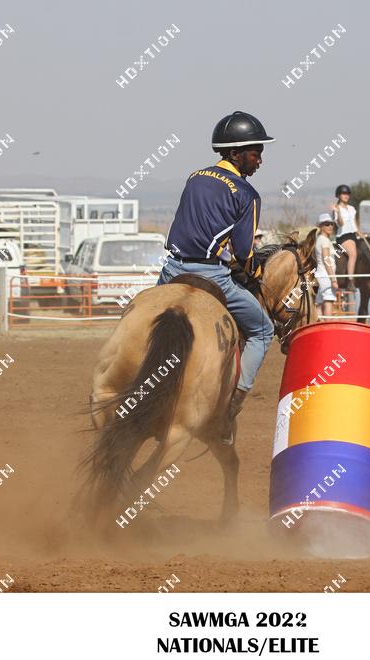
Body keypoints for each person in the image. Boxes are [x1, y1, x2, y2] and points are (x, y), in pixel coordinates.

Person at [157, 110, 275, 442]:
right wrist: (256, 272)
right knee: (263, 331)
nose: (260, 160)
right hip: (211, 275)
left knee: (145, 317)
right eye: (255, 152)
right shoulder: (248, 194)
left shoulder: (195, 177)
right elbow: (245, 252)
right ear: (236, 153)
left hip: (172, 269)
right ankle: (229, 409)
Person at [331, 185, 361, 288]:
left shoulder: (352, 208)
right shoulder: (336, 209)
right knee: (353, 254)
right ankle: (350, 281)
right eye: (344, 194)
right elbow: (340, 224)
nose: (346, 196)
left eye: (347, 194)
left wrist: (361, 234)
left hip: (353, 235)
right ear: (338, 195)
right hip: (343, 236)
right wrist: (338, 213)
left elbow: (355, 224)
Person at [313, 214, 339, 318]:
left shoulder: (319, 239)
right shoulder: (324, 240)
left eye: (331, 224)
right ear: (321, 226)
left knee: (319, 304)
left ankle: (319, 325)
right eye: (327, 224)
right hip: (326, 276)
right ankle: (328, 325)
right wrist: (333, 279)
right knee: (328, 301)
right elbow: (326, 259)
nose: (330, 226)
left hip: (319, 275)